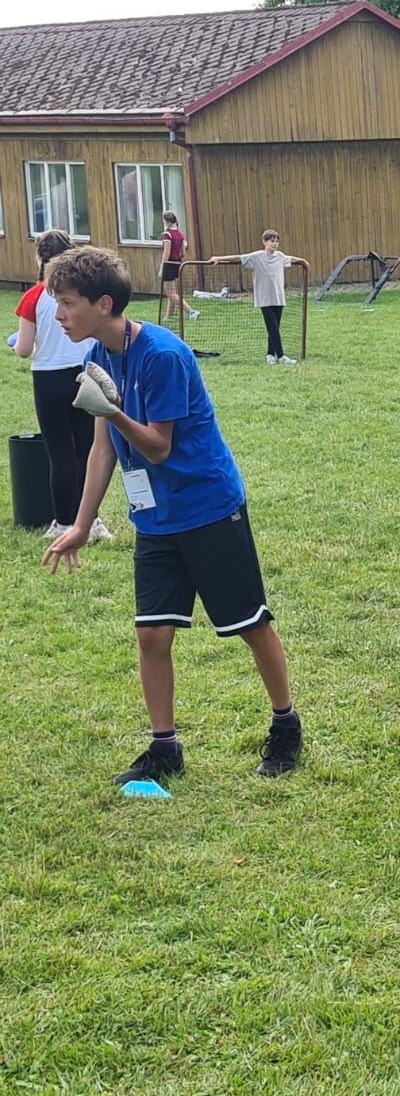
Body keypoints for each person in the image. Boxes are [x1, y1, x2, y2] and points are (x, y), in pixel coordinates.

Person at [40, 247, 303, 784]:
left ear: (103, 304)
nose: (59, 315)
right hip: (155, 519)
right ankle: (165, 749)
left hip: (208, 509)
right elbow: (103, 450)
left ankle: (286, 724)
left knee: (249, 624)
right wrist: (81, 526)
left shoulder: (162, 355)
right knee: (152, 635)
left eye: (67, 303)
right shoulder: (99, 356)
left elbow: (158, 447)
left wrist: (112, 411)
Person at [13, 228, 113, 544]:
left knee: (59, 455)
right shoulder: (84, 293)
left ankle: (63, 523)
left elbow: (24, 349)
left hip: (49, 379)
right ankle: (91, 520)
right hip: (85, 374)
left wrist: (17, 343)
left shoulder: (33, 296)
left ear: (39, 258)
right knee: (88, 451)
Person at [209, 230, 309, 364]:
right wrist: (218, 258)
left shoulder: (280, 256)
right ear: (264, 242)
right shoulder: (256, 257)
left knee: (275, 327)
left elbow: (292, 259)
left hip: (278, 297)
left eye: (276, 241)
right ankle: (281, 356)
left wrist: (303, 261)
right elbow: (238, 258)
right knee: (272, 327)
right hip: (264, 298)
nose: (274, 244)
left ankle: (270, 354)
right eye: (271, 241)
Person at [160, 211, 197, 326]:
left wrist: (162, 268)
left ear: (166, 221)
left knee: (170, 293)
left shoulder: (167, 235)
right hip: (177, 263)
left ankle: (191, 311)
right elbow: (183, 253)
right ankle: (168, 316)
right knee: (172, 291)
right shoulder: (180, 234)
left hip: (169, 264)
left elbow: (166, 253)